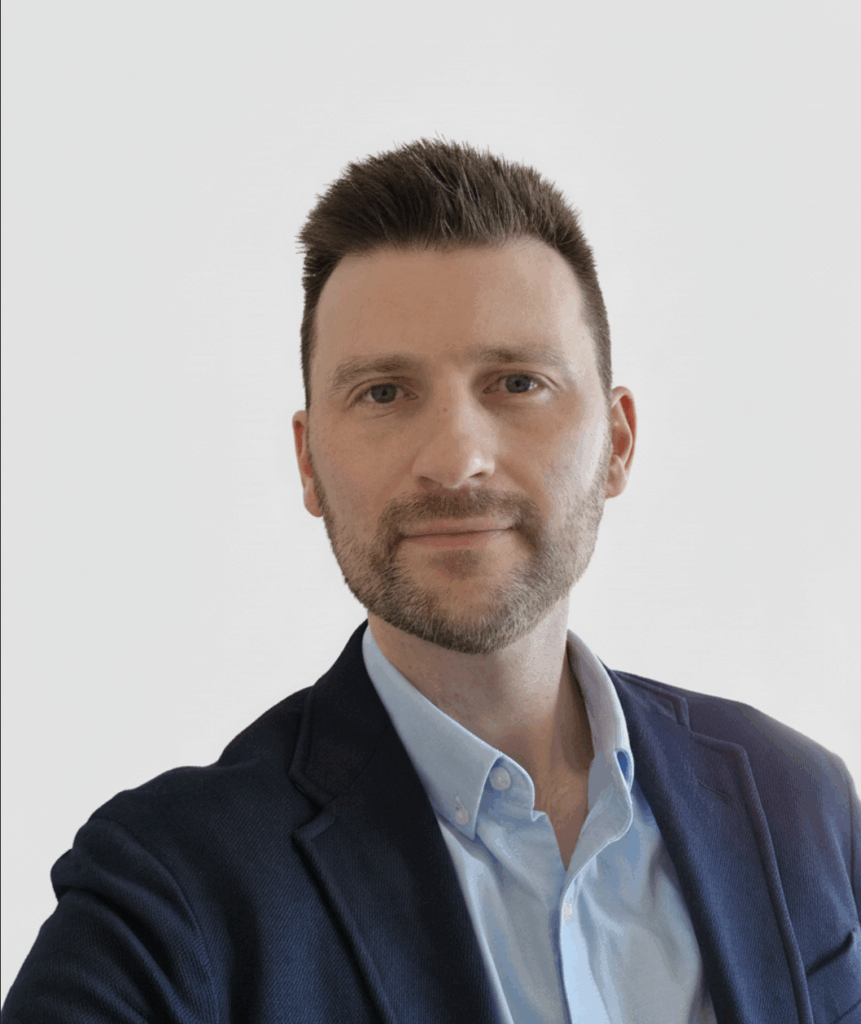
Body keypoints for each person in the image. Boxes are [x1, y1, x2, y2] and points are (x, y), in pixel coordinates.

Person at [3, 138, 859, 1024]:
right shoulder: (167, 889)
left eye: (516, 382)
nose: (455, 461)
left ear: (618, 444)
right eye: (382, 393)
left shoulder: (798, 797)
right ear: (307, 462)